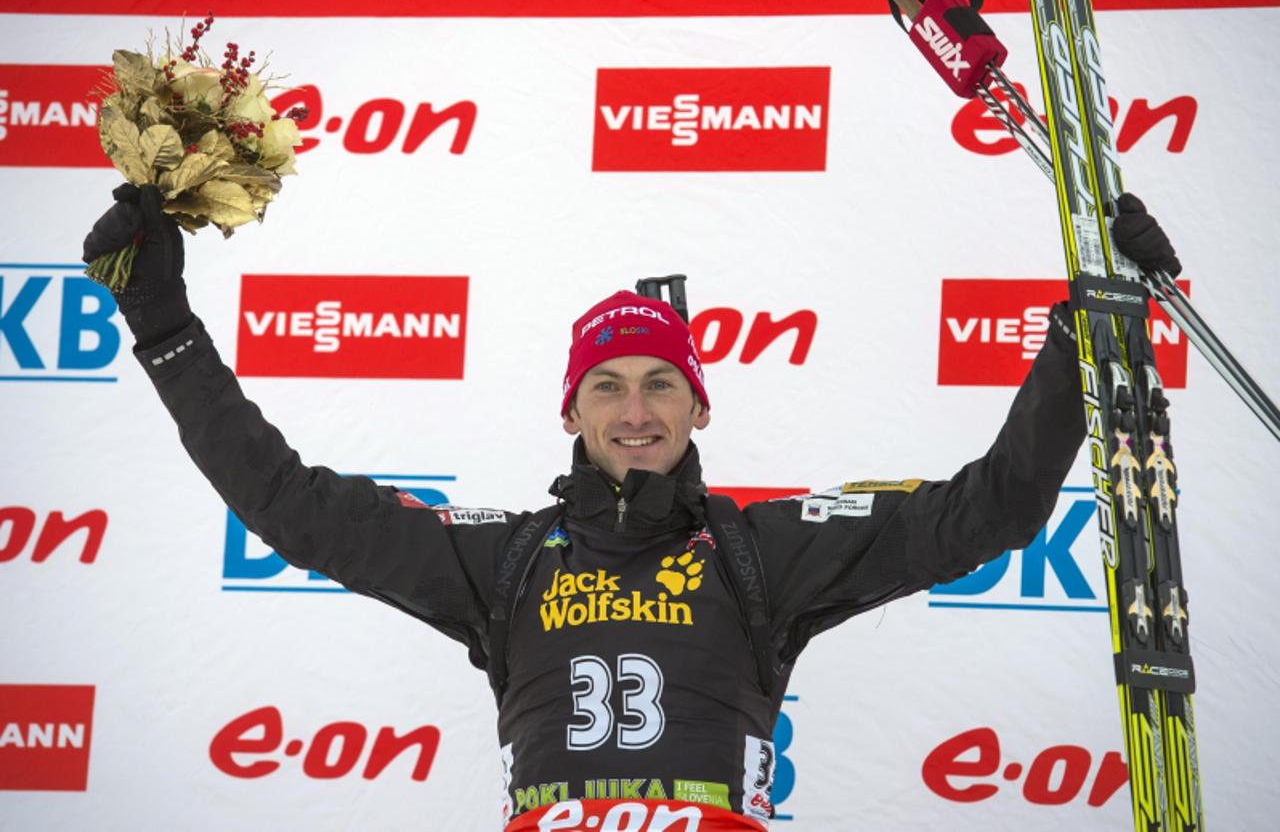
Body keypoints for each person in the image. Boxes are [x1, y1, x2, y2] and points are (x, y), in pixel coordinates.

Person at [82, 185, 1181, 831]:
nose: (634, 409)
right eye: (605, 386)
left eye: (659, 383)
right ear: (571, 408)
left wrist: (1075, 337)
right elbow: (287, 503)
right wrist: (163, 322)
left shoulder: (763, 551)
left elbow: (985, 513)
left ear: (698, 402)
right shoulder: (503, 561)